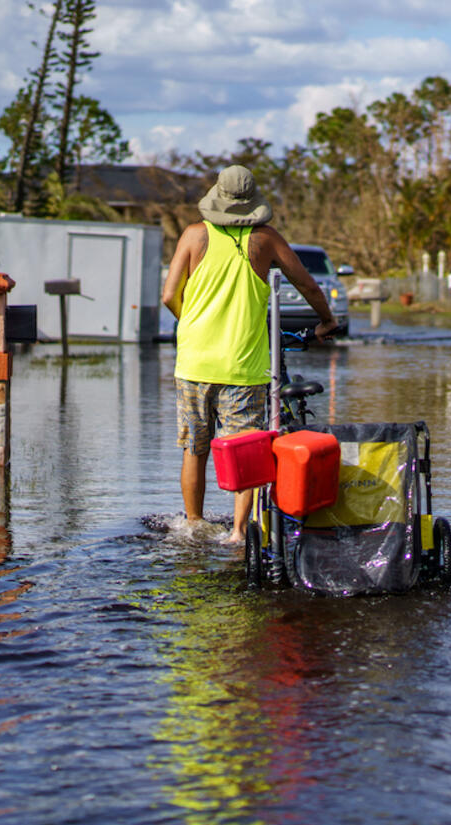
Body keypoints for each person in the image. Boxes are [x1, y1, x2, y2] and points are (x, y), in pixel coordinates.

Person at [161, 165, 339, 544]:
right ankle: (239, 534)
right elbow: (307, 285)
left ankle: (193, 526)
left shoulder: (194, 235)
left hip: (193, 362)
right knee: (245, 452)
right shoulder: (266, 240)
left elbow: (168, 295)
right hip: (243, 365)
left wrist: (191, 321)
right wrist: (326, 321)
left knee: (195, 448)